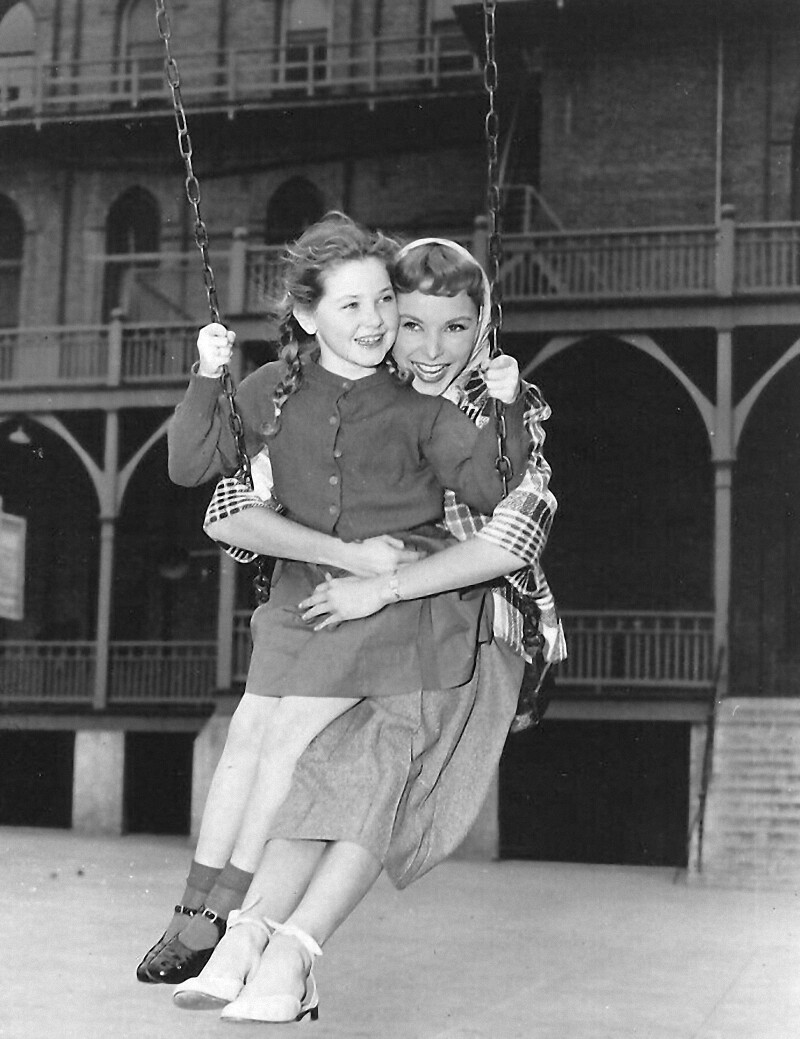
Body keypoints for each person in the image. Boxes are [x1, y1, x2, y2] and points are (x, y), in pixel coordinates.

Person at [163, 237, 565, 1023]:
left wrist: (377, 582)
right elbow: (229, 509)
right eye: (408, 323)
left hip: (466, 632)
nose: (428, 348)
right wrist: (334, 549)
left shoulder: (504, 400)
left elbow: (512, 534)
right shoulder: (355, 390)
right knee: (312, 774)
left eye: (454, 328)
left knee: (373, 767)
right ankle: (246, 937)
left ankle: (289, 950)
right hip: (357, 624)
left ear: (482, 325)